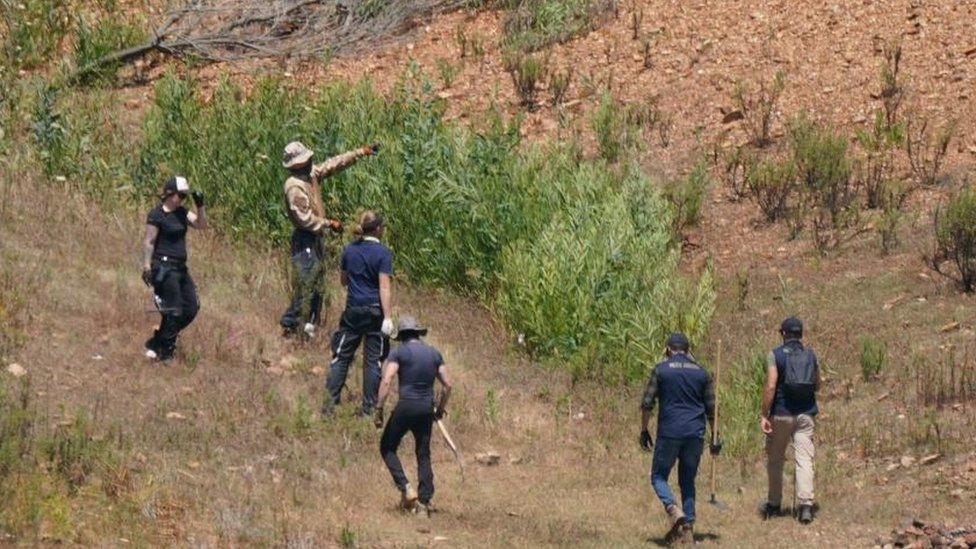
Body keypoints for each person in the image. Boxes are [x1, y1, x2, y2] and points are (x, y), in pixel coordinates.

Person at [279, 141, 379, 338]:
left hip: (316, 238)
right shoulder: (294, 187)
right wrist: (328, 223)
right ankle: (290, 325)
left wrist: (360, 152)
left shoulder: (310, 175)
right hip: (305, 238)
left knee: (318, 285)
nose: (310, 161)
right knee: (307, 281)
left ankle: (309, 327)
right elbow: (304, 218)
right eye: (306, 159)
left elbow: (333, 164)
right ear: (296, 165)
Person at [640, 333, 720, 544]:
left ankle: (676, 512)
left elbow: (647, 403)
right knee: (687, 481)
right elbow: (712, 409)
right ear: (687, 350)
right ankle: (688, 529)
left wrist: (644, 429)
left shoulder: (661, 370)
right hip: (695, 434)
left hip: (670, 432)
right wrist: (715, 436)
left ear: (668, 349)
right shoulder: (702, 373)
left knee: (658, 476)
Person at [374, 316, 452, 517]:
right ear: (418, 333)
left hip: (406, 406)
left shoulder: (399, 352)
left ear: (401, 336)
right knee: (423, 453)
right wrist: (440, 409)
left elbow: (387, 379)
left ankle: (406, 488)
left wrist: (379, 408)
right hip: (426, 409)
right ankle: (424, 503)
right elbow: (447, 385)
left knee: (387, 447)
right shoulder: (434, 354)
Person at [324, 210, 394, 417]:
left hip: (353, 310)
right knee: (373, 361)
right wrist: (388, 317)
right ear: (378, 229)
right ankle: (369, 410)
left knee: (342, 356)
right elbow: (384, 287)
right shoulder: (383, 254)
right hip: (374, 312)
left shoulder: (349, 250)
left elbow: (343, 280)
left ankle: (329, 406)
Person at [760, 317, 820, 524]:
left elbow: (770, 385)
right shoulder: (810, 355)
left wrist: (764, 414)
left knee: (776, 460)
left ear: (783, 334)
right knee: (804, 459)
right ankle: (805, 507)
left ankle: (774, 505)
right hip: (806, 415)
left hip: (781, 415)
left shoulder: (774, 355)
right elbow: (817, 384)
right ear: (800, 334)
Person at [141, 176, 208, 362]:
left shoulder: (182, 213)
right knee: (174, 309)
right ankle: (166, 353)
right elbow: (149, 241)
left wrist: (200, 205)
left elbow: (202, 225)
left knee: (192, 307)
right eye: (181, 195)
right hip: (163, 266)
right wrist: (147, 266)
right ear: (170, 194)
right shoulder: (157, 215)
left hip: (180, 268)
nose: (183, 199)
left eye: (185, 196)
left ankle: (159, 340)